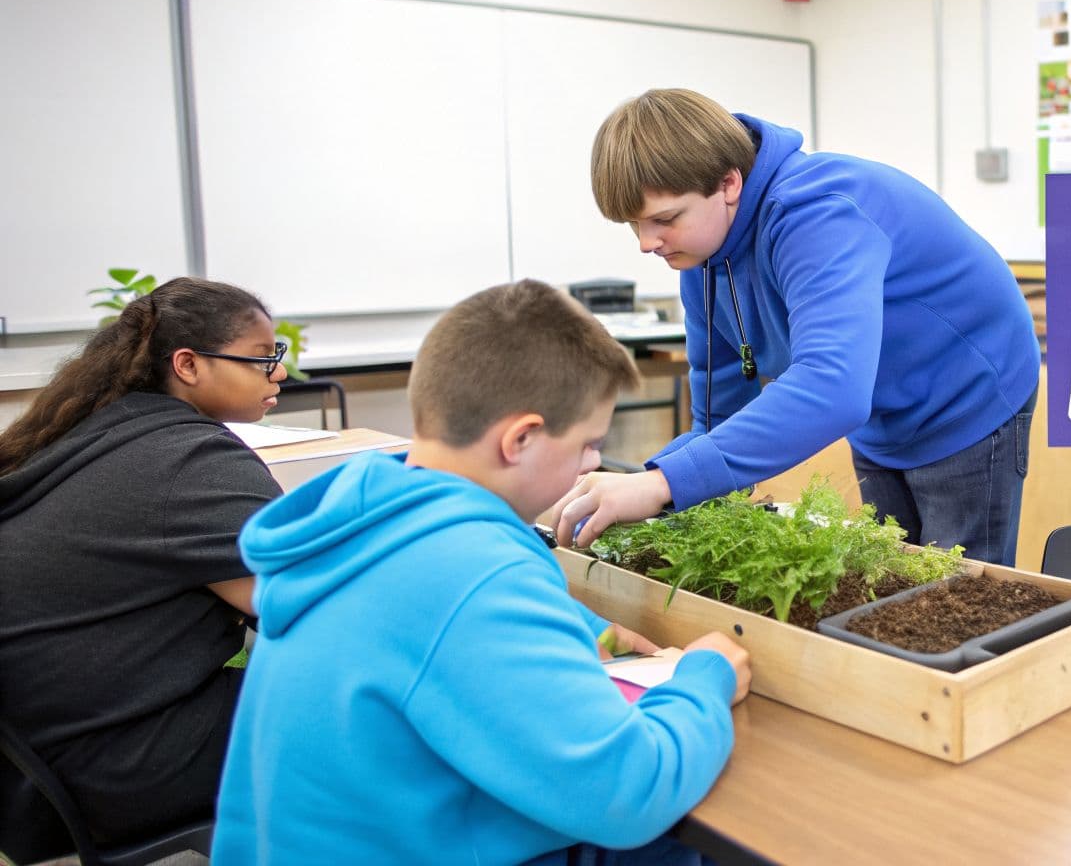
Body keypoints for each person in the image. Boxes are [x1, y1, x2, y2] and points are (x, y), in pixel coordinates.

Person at [211, 279, 751, 865]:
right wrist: (706, 676)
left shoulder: (370, 521)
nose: (594, 465)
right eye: (588, 446)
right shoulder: (470, 573)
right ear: (520, 438)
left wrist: (579, 627)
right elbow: (630, 793)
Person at [553, 89, 1041, 566]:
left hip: (969, 394)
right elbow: (717, 422)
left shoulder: (816, 212)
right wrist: (634, 488)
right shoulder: (701, 260)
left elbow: (833, 387)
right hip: (879, 412)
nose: (646, 243)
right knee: (894, 574)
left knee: (958, 595)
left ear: (728, 184)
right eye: (633, 225)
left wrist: (660, 485)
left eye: (663, 218)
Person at [0, 278, 285, 847]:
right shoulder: (190, 460)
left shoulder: (97, 430)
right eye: (262, 358)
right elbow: (304, 605)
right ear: (188, 364)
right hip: (115, 769)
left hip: (35, 773)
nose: (279, 373)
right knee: (357, 709)